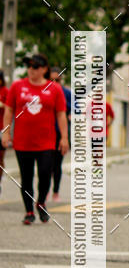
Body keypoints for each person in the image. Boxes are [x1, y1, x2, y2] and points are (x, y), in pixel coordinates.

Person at [2, 53, 69, 224]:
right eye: (29, 66)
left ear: (44, 69)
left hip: (46, 142)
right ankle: (29, 211)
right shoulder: (17, 86)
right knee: (26, 178)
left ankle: (41, 202)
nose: (31, 69)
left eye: (35, 66)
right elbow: (9, 110)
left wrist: (64, 137)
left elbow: (61, 114)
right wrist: (6, 132)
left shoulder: (54, 89)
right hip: (23, 142)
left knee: (45, 174)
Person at [49, 66, 72, 201]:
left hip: (60, 133)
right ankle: (44, 190)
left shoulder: (66, 93)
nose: (54, 83)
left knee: (57, 164)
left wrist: (61, 105)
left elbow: (75, 107)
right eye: (51, 80)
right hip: (45, 133)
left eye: (57, 80)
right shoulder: (43, 91)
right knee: (45, 164)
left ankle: (55, 191)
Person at [0, 70, 7, 197]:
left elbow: (10, 108)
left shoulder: (5, 91)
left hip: (1, 128)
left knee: (0, 157)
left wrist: (3, 105)